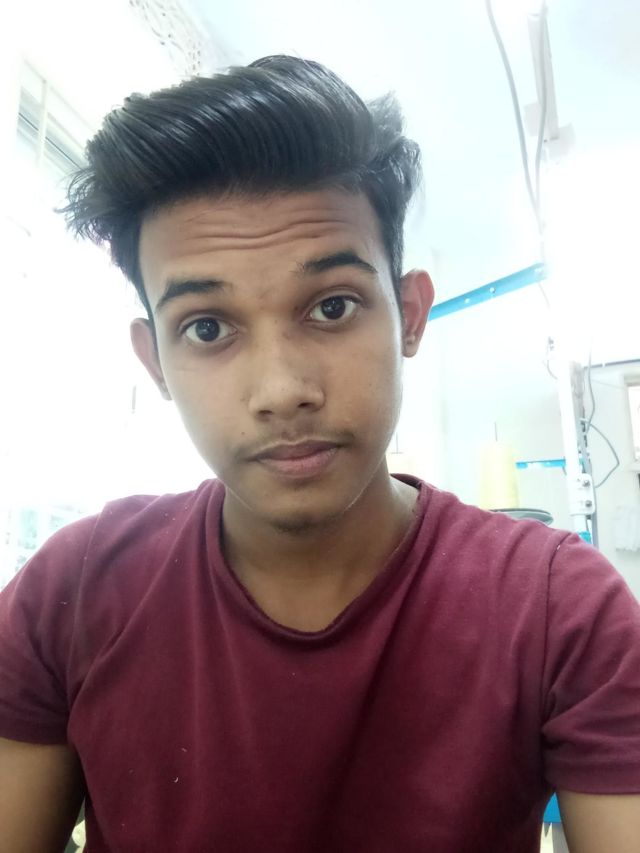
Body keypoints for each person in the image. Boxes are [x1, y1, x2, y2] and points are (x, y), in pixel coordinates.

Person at [0, 55, 639, 853]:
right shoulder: (72, 590)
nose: (283, 389)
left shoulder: (559, 609)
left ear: (409, 316)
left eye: (332, 306)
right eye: (207, 327)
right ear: (155, 359)